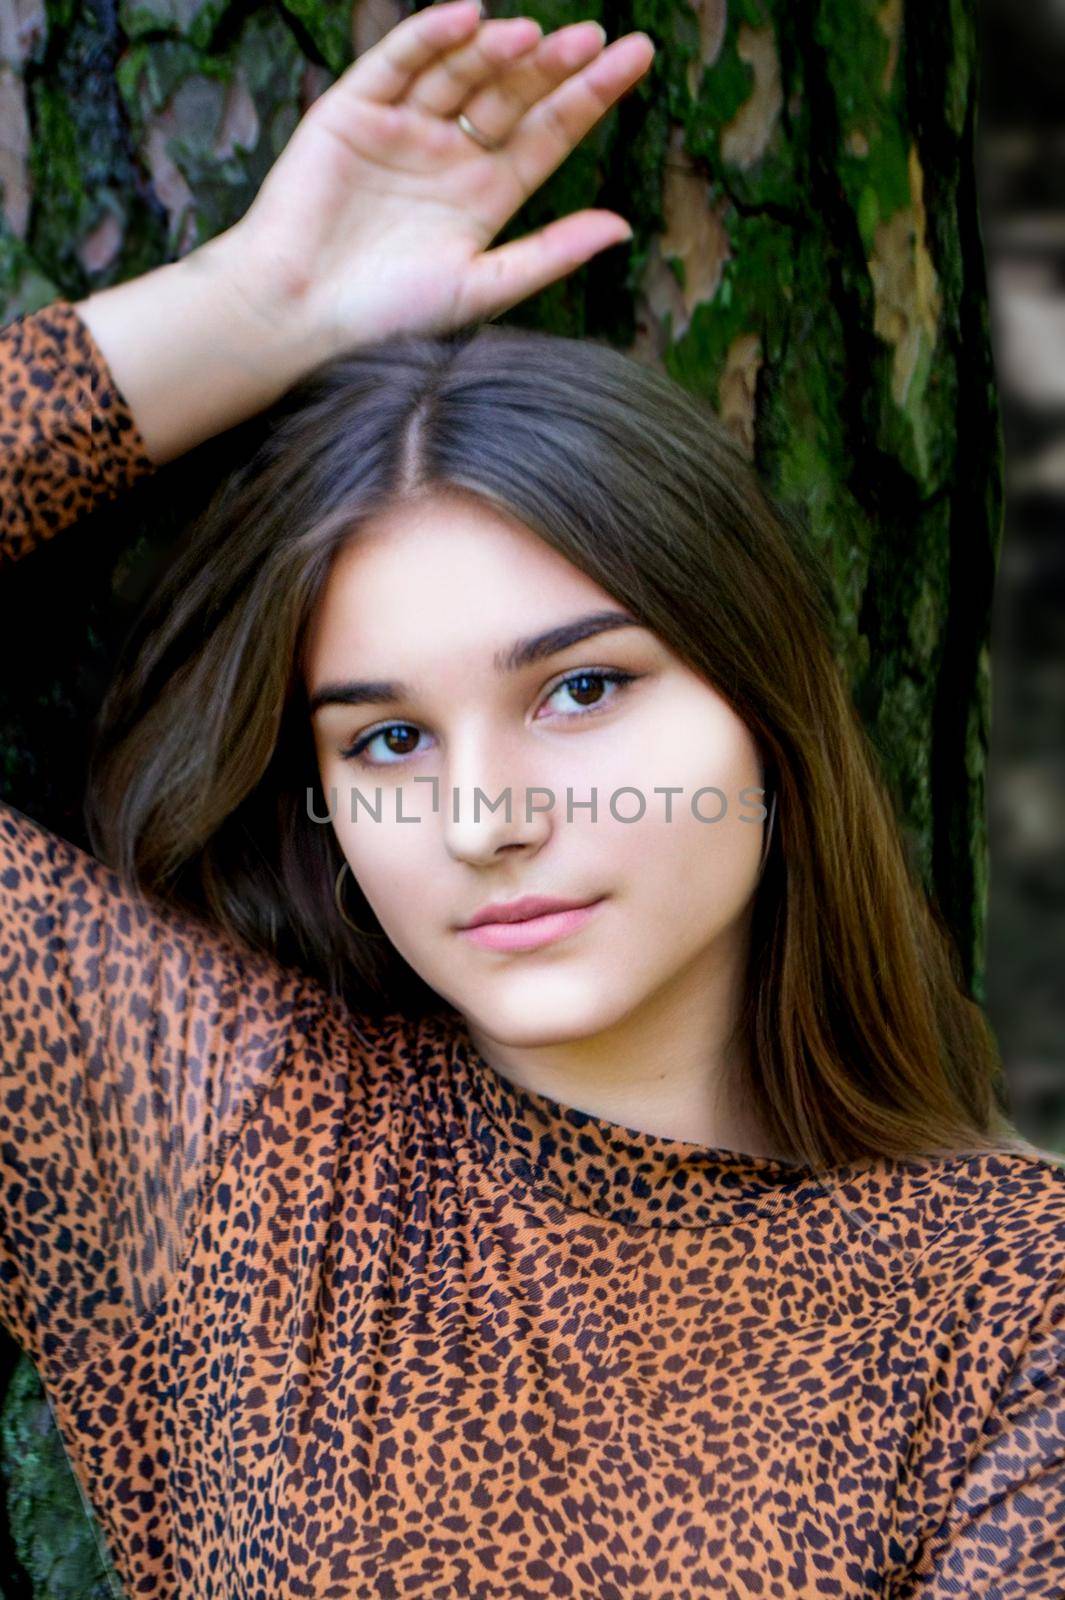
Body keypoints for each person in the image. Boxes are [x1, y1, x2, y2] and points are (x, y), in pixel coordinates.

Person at [0, 3, 1062, 1596]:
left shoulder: (1013, 1300)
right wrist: (246, 309)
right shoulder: (210, 1141)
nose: (482, 816)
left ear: (762, 710)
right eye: (386, 743)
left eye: (579, 689)